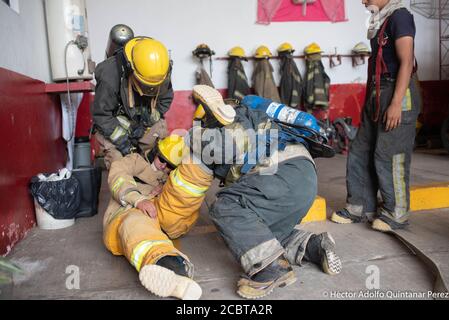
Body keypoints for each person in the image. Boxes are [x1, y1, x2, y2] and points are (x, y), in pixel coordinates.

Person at [186, 85, 342, 299]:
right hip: (302, 177)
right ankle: (313, 245)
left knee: (226, 207)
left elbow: (227, 145)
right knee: (258, 233)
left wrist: (190, 137)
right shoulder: (258, 120)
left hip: (284, 174)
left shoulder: (235, 118)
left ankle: (271, 268)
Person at [331, 0, 421, 232]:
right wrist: (372, 99)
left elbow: (406, 63)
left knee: (389, 154)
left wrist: (396, 103)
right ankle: (359, 206)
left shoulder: (400, 17)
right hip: (377, 93)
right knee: (361, 149)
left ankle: (397, 212)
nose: (363, 1)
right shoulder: (381, 20)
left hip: (397, 93)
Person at [102, 134, 206, 300]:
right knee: (137, 223)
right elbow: (118, 174)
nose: (163, 166)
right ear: (155, 151)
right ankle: (170, 267)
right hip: (130, 211)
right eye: (161, 159)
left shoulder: (171, 177)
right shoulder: (135, 160)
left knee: (185, 198)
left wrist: (167, 190)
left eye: (169, 166)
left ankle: (206, 165)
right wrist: (139, 200)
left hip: (162, 215)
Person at [92, 36, 173, 169]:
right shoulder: (110, 76)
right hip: (114, 123)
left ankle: (153, 174)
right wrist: (122, 141)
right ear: (131, 70)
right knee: (119, 162)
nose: (149, 90)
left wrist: (148, 120)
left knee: (160, 129)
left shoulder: (161, 71)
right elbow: (102, 115)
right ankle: (127, 184)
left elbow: (165, 100)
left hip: (140, 120)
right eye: (145, 85)